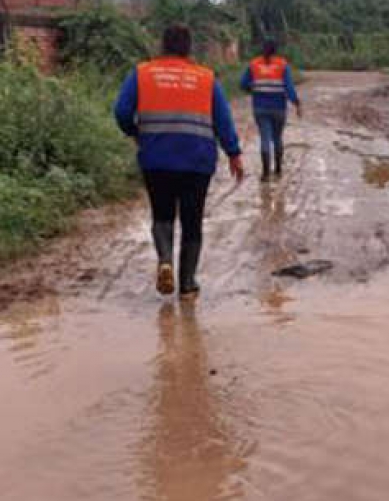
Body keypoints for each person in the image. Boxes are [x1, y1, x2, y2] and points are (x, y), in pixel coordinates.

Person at [114, 24, 245, 299]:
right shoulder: (206, 78)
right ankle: (187, 285)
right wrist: (234, 153)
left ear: (162, 45)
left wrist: (136, 132)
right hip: (197, 160)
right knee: (192, 220)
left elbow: (121, 111)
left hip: (156, 158)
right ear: (188, 47)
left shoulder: (142, 73)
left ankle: (165, 260)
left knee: (162, 215)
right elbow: (223, 120)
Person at [241, 39, 302, 182]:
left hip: (260, 108)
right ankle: (279, 169)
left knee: (265, 138)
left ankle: (265, 173)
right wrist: (296, 102)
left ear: (262, 50)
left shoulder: (254, 64)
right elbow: (289, 88)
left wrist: (253, 90)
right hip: (279, 109)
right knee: (277, 138)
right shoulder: (282, 65)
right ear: (276, 50)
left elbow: (243, 84)